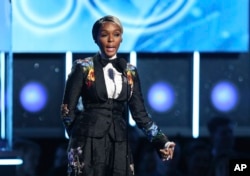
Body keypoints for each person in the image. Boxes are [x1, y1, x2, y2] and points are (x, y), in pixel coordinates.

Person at [60, 15, 175, 176]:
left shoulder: (129, 71)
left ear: (121, 38)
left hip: (119, 142)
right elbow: (67, 110)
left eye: (116, 34)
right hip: (87, 143)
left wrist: (161, 141)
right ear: (95, 38)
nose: (110, 40)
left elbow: (140, 114)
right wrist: (78, 136)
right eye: (104, 34)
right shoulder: (83, 67)